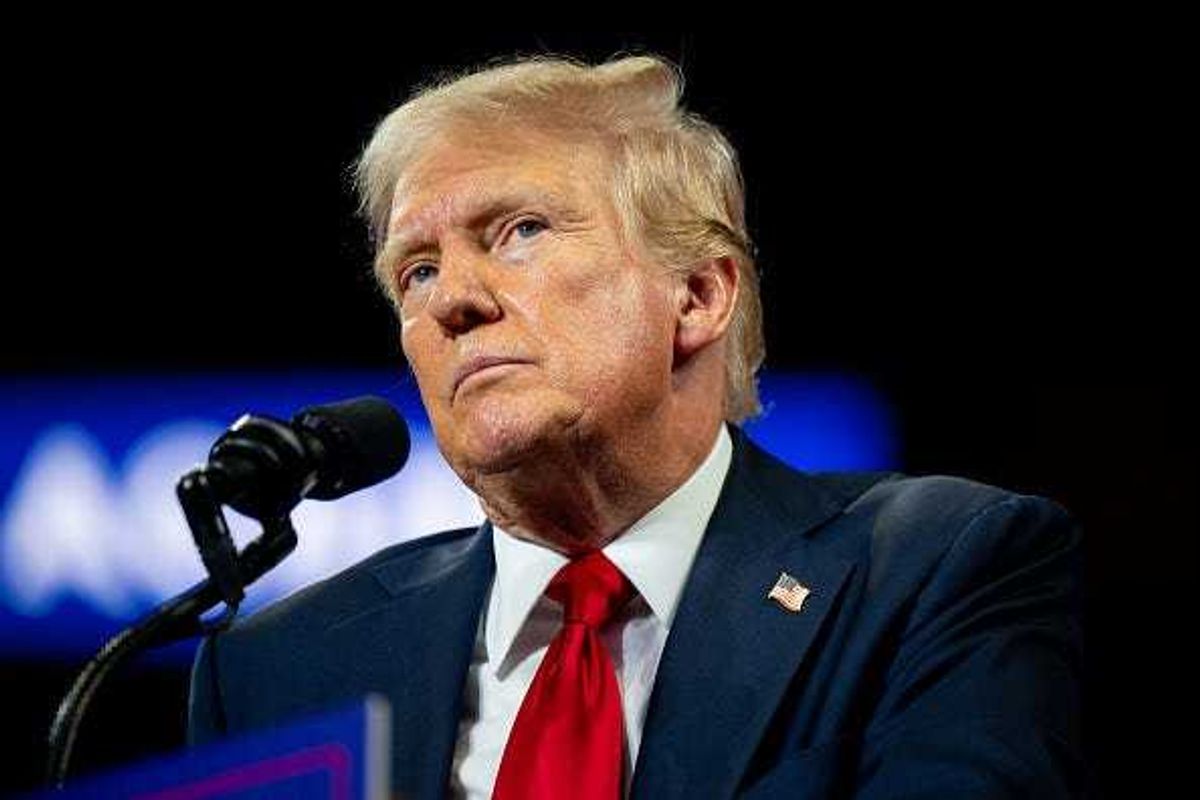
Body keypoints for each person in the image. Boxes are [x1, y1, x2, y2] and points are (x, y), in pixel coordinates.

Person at [189, 55, 1084, 798]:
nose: (455, 300)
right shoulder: (279, 674)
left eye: (521, 230)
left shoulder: (933, 573)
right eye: (416, 272)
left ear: (697, 296)